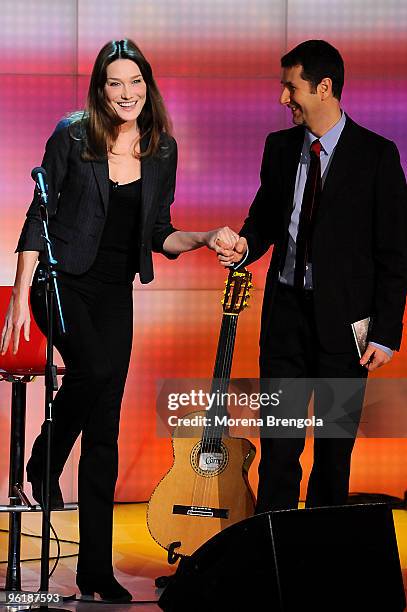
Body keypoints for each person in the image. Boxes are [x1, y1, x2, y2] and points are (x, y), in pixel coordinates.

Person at [0, 39, 237, 602]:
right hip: (63, 285)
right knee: (98, 369)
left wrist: (203, 237)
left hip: (114, 292)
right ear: (100, 90)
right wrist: (20, 293)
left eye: (135, 82)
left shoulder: (162, 150)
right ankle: (45, 458)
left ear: (147, 86)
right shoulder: (73, 135)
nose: (126, 93)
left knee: (105, 428)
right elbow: (41, 213)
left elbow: (158, 233)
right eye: (115, 83)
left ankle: (94, 571)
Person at [217, 40, 407, 513]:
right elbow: (263, 220)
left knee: (333, 453)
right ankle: (274, 558)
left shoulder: (377, 156)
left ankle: (322, 565)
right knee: (279, 451)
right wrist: (245, 246)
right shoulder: (279, 148)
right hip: (285, 320)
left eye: (291, 87)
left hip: (346, 329)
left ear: (325, 88)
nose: (284, 99)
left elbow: (395, 251)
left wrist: (385, 333)